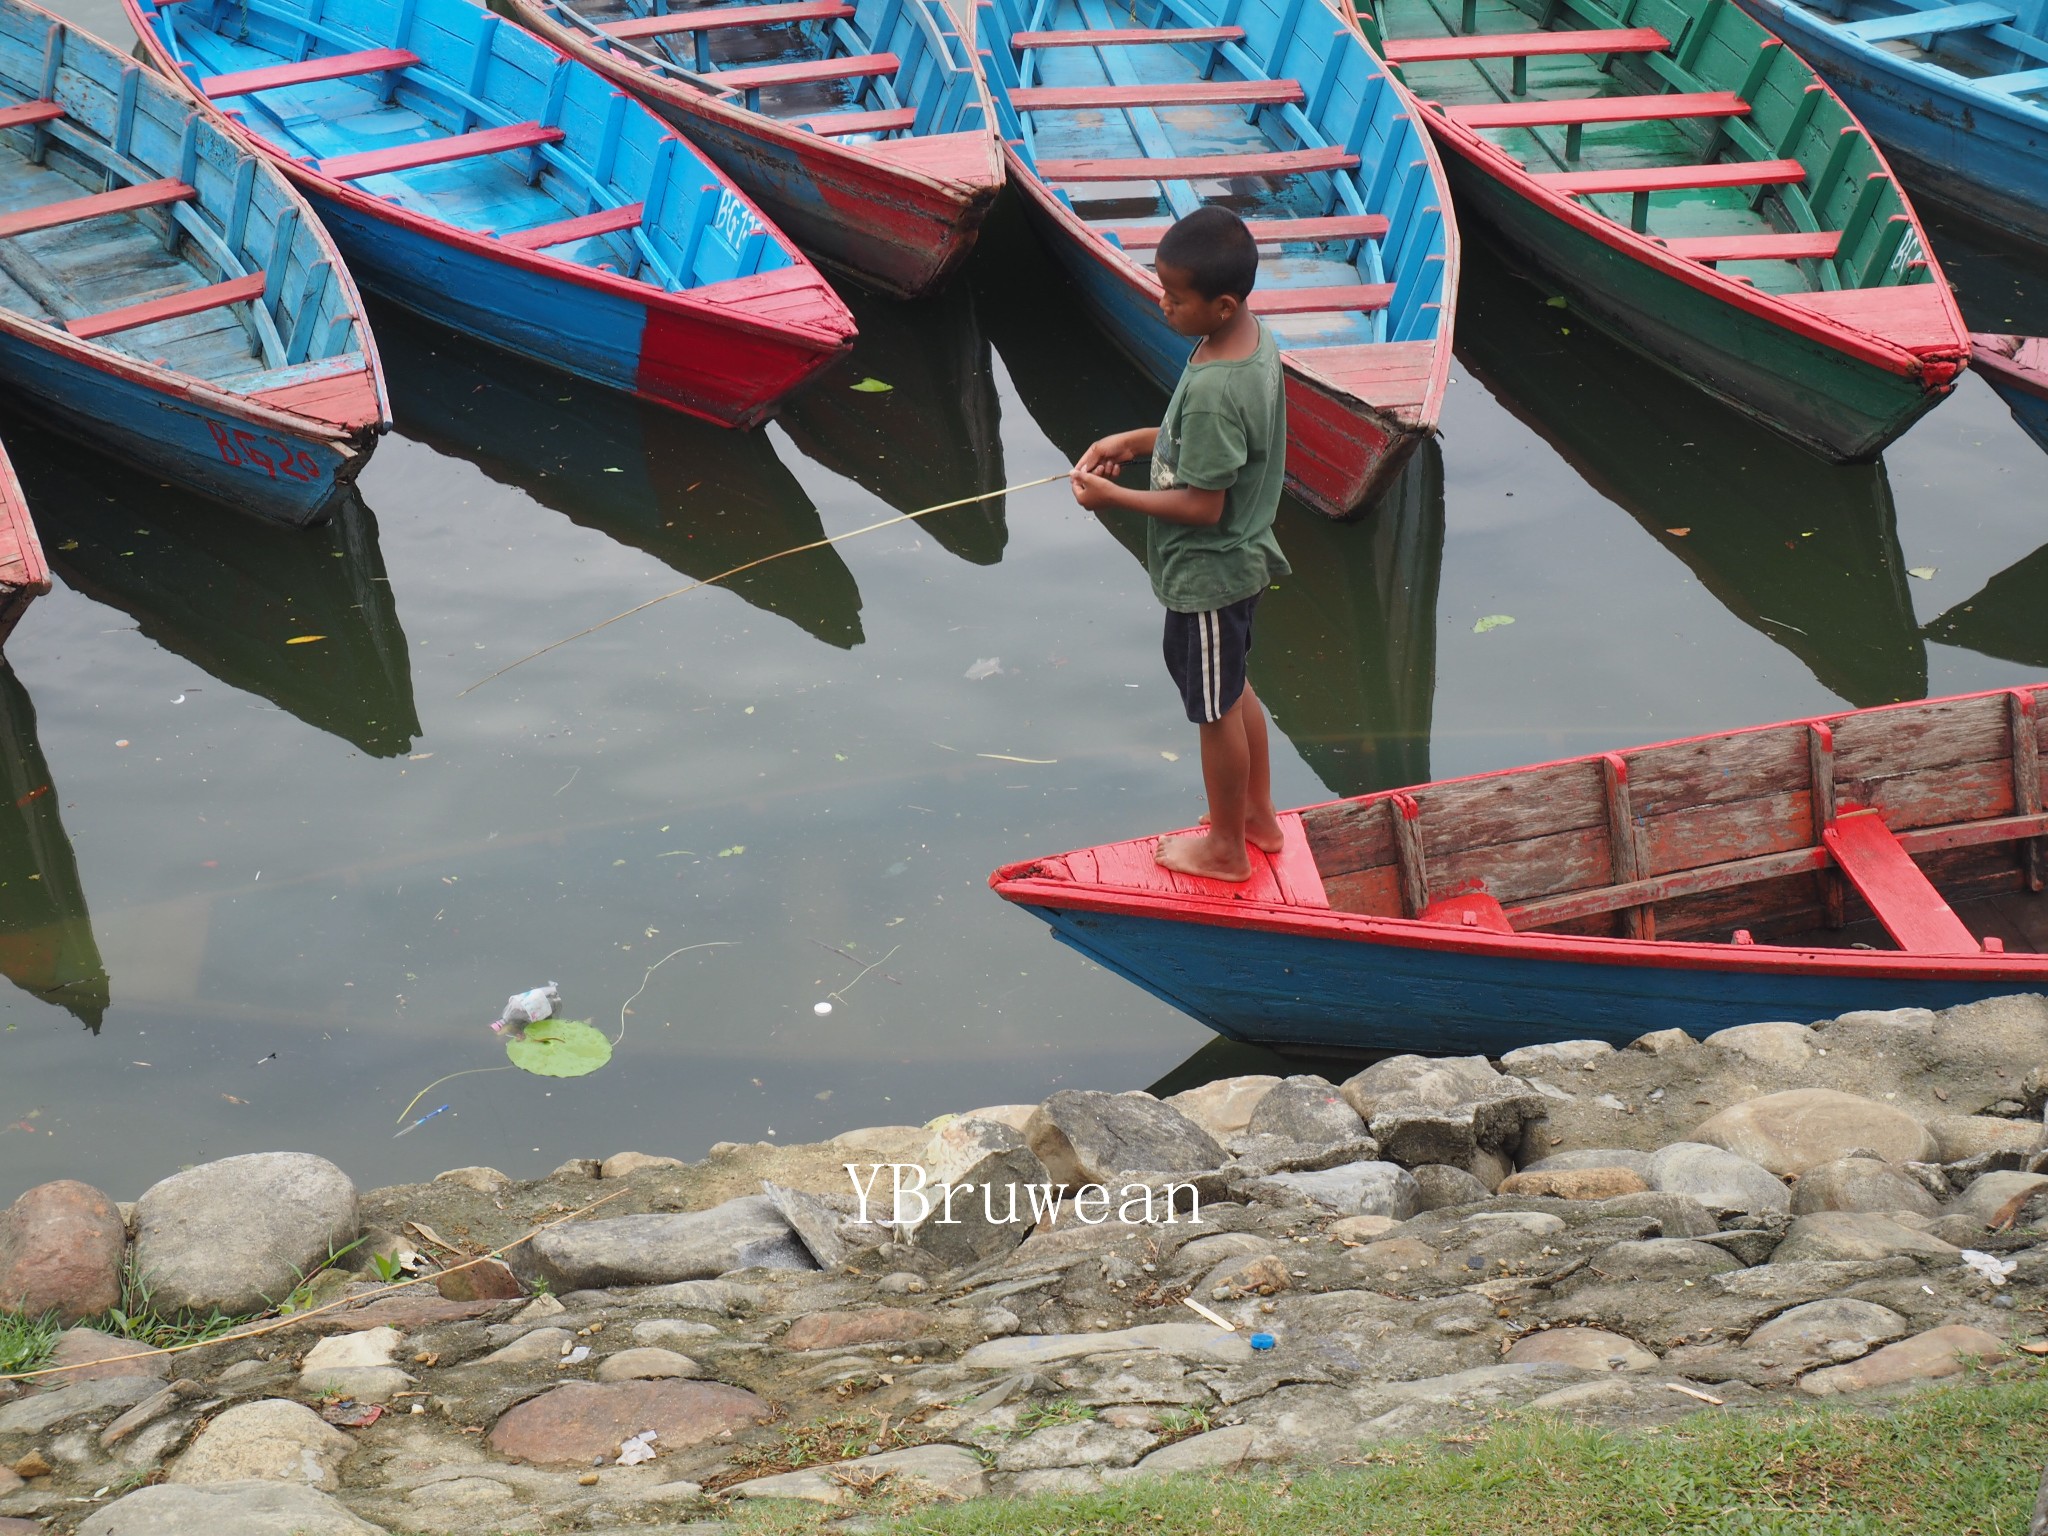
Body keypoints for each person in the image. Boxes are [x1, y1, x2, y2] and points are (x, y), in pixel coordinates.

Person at [1070, 206, 1290, 883]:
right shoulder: (1248, 342)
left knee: (1213, 706)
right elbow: (1205, 448)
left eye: (1175, 297)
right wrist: (1133, 444)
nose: (1162, 305)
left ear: (1221, 305)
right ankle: (1256, 816)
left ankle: (1227, 848)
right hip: (1240, 562)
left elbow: (1202, 503)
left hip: (1210, 573)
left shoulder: (1219, 387)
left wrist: (1114, 497)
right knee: (1233, 687)